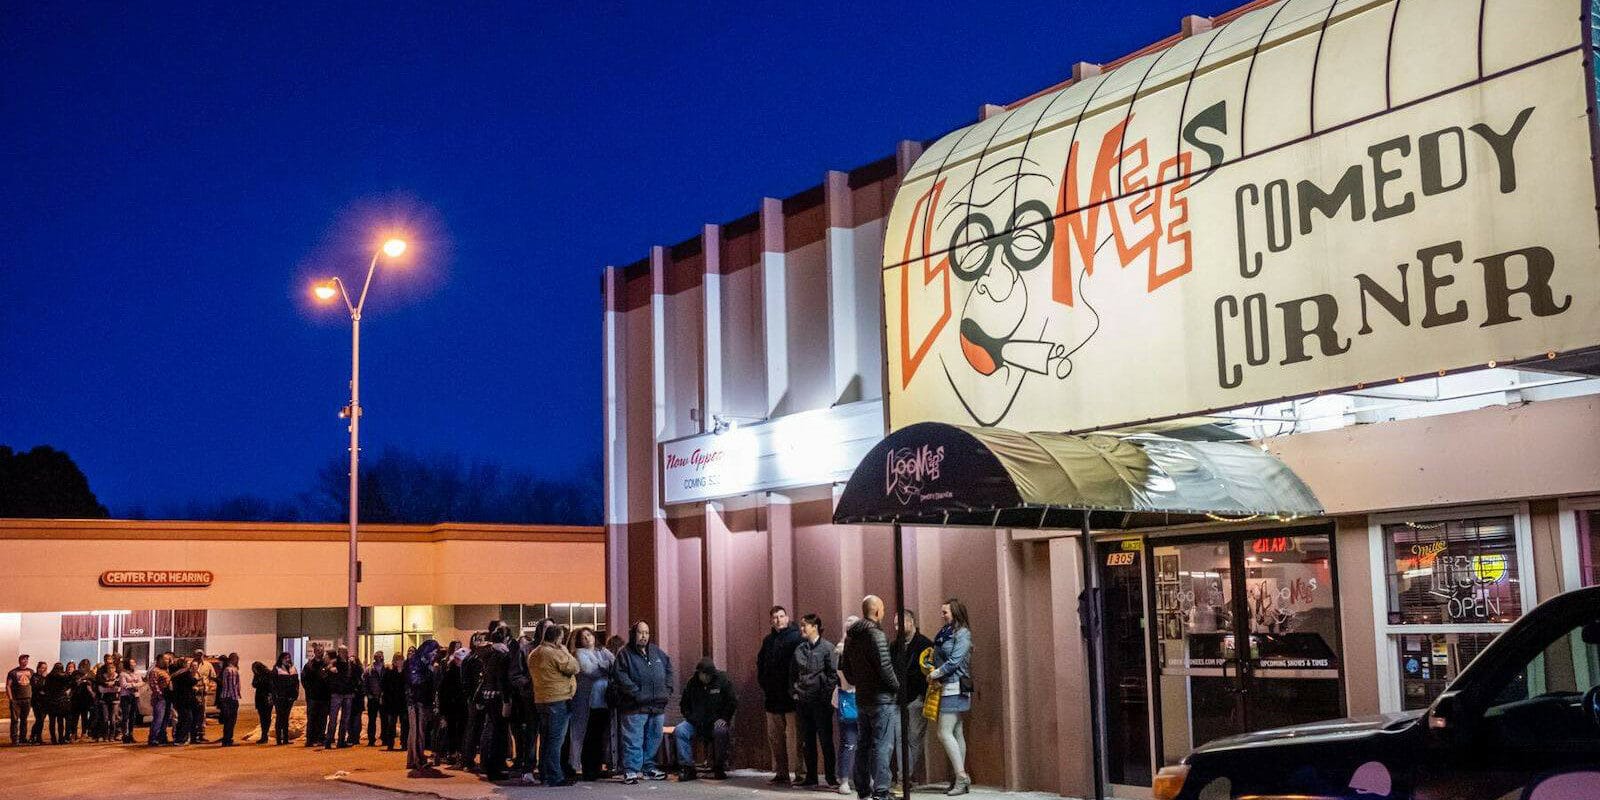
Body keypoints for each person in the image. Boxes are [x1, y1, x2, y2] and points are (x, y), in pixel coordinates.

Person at [841, 596, 899, 800]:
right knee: (883, 745)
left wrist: (860, 682)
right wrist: (897, 687)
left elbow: (846, 669)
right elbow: (885, 667)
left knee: (863, 745)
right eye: (882, 609)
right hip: (881, 699)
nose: (883, 613)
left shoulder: (851, 637)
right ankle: (881, 791)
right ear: (876, 611)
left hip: (862, 698)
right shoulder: (876, 635)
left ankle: (863, 789)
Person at [612, 620, 672, 785]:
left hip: (657, 705)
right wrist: (636, 693)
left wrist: (668, 689)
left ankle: (648, 768)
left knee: (654, 737)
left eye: (646, 633)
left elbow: (668, 669)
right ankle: (631, 770)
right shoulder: (625, 654)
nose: (644, 636)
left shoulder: (657, 652)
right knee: (633, 738)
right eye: (640, 632)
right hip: (634, 705)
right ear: (633, 634)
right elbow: (620, 676)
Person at [928, 599, 973, 796]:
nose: (942, 615)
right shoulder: (946, 632)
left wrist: (935, 673)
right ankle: (959, 778)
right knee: (956, 731)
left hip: (955, 686)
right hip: (947, 686)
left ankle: (961, 776)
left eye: (945, 612)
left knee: (943, 732)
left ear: (955, 612)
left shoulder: (963, 633)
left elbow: (955, 660)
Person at [757, 606, 804, 785]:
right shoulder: (767, 641)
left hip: (791, 698)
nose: (778, 620)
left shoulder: (797, 637)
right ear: (771, 620)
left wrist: (796, 689)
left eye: (781, 616)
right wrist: (764, 684)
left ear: (788, 617)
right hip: (772, 698)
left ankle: (800, 773)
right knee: (775, 739)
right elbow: (760, 664)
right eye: (775, 617)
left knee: (795, 739)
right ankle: (782, 773)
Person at [792, 613, 840, 788]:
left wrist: (825, 696)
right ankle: (811, 777)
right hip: (803, 702)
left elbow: (832, 675)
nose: (802, 629)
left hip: (821, 703)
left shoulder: (828, 648)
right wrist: (795, 693)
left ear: (815, 627)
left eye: (805, 625)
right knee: (807, 741)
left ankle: (830, 778)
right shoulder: (799, 649)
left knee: (826, 741)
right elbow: (792, 674)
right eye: (801, 625)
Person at [890, 609, 935, 791]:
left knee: (915, 738)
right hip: (898, 698)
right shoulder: (894, 646)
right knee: (900, 738)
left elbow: (929, 671)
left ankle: (905, 776)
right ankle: (903, 778)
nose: (896, 628)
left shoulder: (925, 644)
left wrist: (922, 696)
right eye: (894, 624)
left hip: (917, 697)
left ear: (911, 622)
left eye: (899, 623)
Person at [529, 623, 578, 786]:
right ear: (558, 638)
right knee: (556, 741)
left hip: (541, 699)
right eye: (561, 638)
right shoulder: (555, 653)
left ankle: (544, 773)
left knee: (545, 739)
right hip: (558, 700)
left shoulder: (534, 653)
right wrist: (565, 651)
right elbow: (574, 667)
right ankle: (555, 776)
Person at [675, 657, 737, 781]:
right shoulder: (691, 683)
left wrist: (725, 718)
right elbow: (684, 705)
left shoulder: (722, 680)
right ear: (699, 673)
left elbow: (732, 701)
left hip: (716, 722)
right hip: (696, 723)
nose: (708, 678)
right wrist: (690, 717)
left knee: (720, 731)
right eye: (705, 675)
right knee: (680, 730)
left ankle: (719, 766)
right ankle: (687, 767)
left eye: (710, 675)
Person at [569, 627, 612, 781]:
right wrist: (605, 666)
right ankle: (584, 767)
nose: (587, 638)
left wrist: (603, 666)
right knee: (586, 735)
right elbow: (589, 670)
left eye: (589, 635)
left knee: (600, 735)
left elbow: (615, 665)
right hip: (586, 701)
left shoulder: (603, 651)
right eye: (583, 637)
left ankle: (598, 765)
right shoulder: (580, 654)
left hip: (603, 701)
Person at [473, 624, 514, 780]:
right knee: (500, 734)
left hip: (489, 696)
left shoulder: (489, 653)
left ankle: (491, 766)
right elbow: (502, 679)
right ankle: (495, 768)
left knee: (493, 732)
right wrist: (506, 700)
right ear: (507, 639)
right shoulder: (503, 655)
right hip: (498, 697)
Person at [405, 639, 444, 777]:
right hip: (416, 702)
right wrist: (429, 672)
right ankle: (417, 760)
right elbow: (415, 681)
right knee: (417, 732)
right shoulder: (416, 662)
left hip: (423, 701)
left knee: (418, 732)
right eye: (433, 652)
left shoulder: (426, 663)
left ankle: (414, 758)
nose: (434, 655)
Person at [837, 616, 861, 796]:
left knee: (863, 742)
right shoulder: (842, 651)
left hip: (862, 698)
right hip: (849, 698)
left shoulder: (862, 649)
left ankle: (864, 778)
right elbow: (844, 679)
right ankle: (844, 779)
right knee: (849, 741)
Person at [438, 646, 468, 765]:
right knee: (453, 732)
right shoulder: (451, 673)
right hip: (453, 707)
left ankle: (454, 753)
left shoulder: (459, 672)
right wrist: (443, 711)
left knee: (457, 731)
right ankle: (452, 753)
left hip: (457, 706)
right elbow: (443, 692)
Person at [326, 646, 359, 750]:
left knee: (345, 718)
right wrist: (330, 669)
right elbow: (326, 671)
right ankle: (329, 740)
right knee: (333, 718)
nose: (343, 653)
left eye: (345, 651)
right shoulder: (334, 662)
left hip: (348, 693)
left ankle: (341, 740)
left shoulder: (350, 663)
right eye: (341, 651)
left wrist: (353, 688)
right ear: (338, 652)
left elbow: (356, 675)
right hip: (337, 693)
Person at [169, 655, 200, 745]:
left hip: (179, 699)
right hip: (185, 699)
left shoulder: (175, 674)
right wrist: (195, 679)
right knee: (187, 719)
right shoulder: (185, 673)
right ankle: (181, 739)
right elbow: (192, 681)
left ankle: (179, 738)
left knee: (182, 719)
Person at [302, 644, 330, 748]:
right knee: (312, 719)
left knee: (322, 720)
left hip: (324, 698)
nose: (320, 652)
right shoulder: (309, 665)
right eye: (318, 650)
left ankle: (320, 739)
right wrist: (310, 692)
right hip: (312, 698)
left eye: (321, 651)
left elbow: (330, 679)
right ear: (314, 652)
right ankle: (310, 739)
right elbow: (304, 681)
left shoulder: (327, 665)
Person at [270, 653, 299, 745]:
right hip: (280, 697)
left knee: (286, 717)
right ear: (281, 659)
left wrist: (295, 694)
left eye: (289, 657)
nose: (288, 659)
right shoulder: (277, 669)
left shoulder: (293, 668)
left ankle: (286, 739)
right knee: (280, 717)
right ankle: (279, 740)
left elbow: (296, 682)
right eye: (285, 658)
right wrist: (275, 696)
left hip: (290, 697)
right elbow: (273, 684)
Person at [380, 652, 406, 751]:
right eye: (397, 660)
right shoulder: (389, 671)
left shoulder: (405, 672)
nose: (399, 662)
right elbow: (384, 685)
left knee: (404, 723)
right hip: (392, 702)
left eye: (401, 660)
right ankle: (390, 743)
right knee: (391, 724)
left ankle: (404, 743)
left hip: (402, 702)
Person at [146, 655, 172, 746]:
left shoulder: (166, 670)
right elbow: (153, 684)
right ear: (160, 660)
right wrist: (160, 694)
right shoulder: (154, 671)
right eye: (166, 659)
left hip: (168, 697)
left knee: (166, 719)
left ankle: (162, 737)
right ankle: (153, 738)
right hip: (160, 698)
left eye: (168, 659)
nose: (168, 661)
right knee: (158, 719)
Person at [217, 653, 242, 746]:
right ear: (234, 659)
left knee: (228, 720)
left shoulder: (226, 669)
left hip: (225, 698)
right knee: (231, 720)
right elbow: (232, 686)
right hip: (230, 698)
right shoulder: (231, 670)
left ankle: (226, 739)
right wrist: (235, 697)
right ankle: (228, 739)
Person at [191, 649, 216, 743]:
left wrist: (210, 687)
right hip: (193, 694)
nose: (199, 656)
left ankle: (201, 734)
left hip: (203, 694)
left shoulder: (208, 665)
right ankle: (193, 735)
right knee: (194, 714)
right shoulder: (191, 664)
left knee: (202, 715)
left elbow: (213, 677)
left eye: (200, 654)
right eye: (197, 654)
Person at [7, 654, 33, 745]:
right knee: (14, 720)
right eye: (23, 659)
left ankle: (23, 738)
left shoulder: (31, 671)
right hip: (16, 700)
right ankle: (15, 739)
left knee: (24, 720)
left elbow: (33, 685)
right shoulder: (13, 672)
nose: (25, 660)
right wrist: (11, 699)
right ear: (19, 660)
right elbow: (8, 686)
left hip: (27, 699)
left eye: (26, 659)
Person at [363, 650, 387, 746]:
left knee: (384, 719)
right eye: (377, 656)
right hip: (372, 698)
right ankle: (371, 739)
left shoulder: (387, 669)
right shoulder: (369, 670)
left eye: (380, 656)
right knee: (372, 720)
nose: (379, 658)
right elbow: (364, 684)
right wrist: (368, 694)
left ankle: (385, 738)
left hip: (384, 698)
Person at [117, 657, 142, 743]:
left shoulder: (137, 673)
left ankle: (131, 734)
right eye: (131, 663)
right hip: (125, 696)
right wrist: (134, 684)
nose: (133, 665)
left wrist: (132, 684)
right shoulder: (122, 674)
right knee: (125, 716)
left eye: (134, 663)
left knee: (132, 715)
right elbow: (124, 685)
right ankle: (125, 734)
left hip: (135, 696)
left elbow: (141, 682)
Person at [250, 661, 273, 744]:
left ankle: (264, 735)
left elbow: (270, 686)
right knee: (264, 718)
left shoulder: (267, 674)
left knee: (265, 718)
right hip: (262, 698)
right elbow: (253, 684)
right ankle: (264, 735)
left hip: (266, 698)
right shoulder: (259, 675)